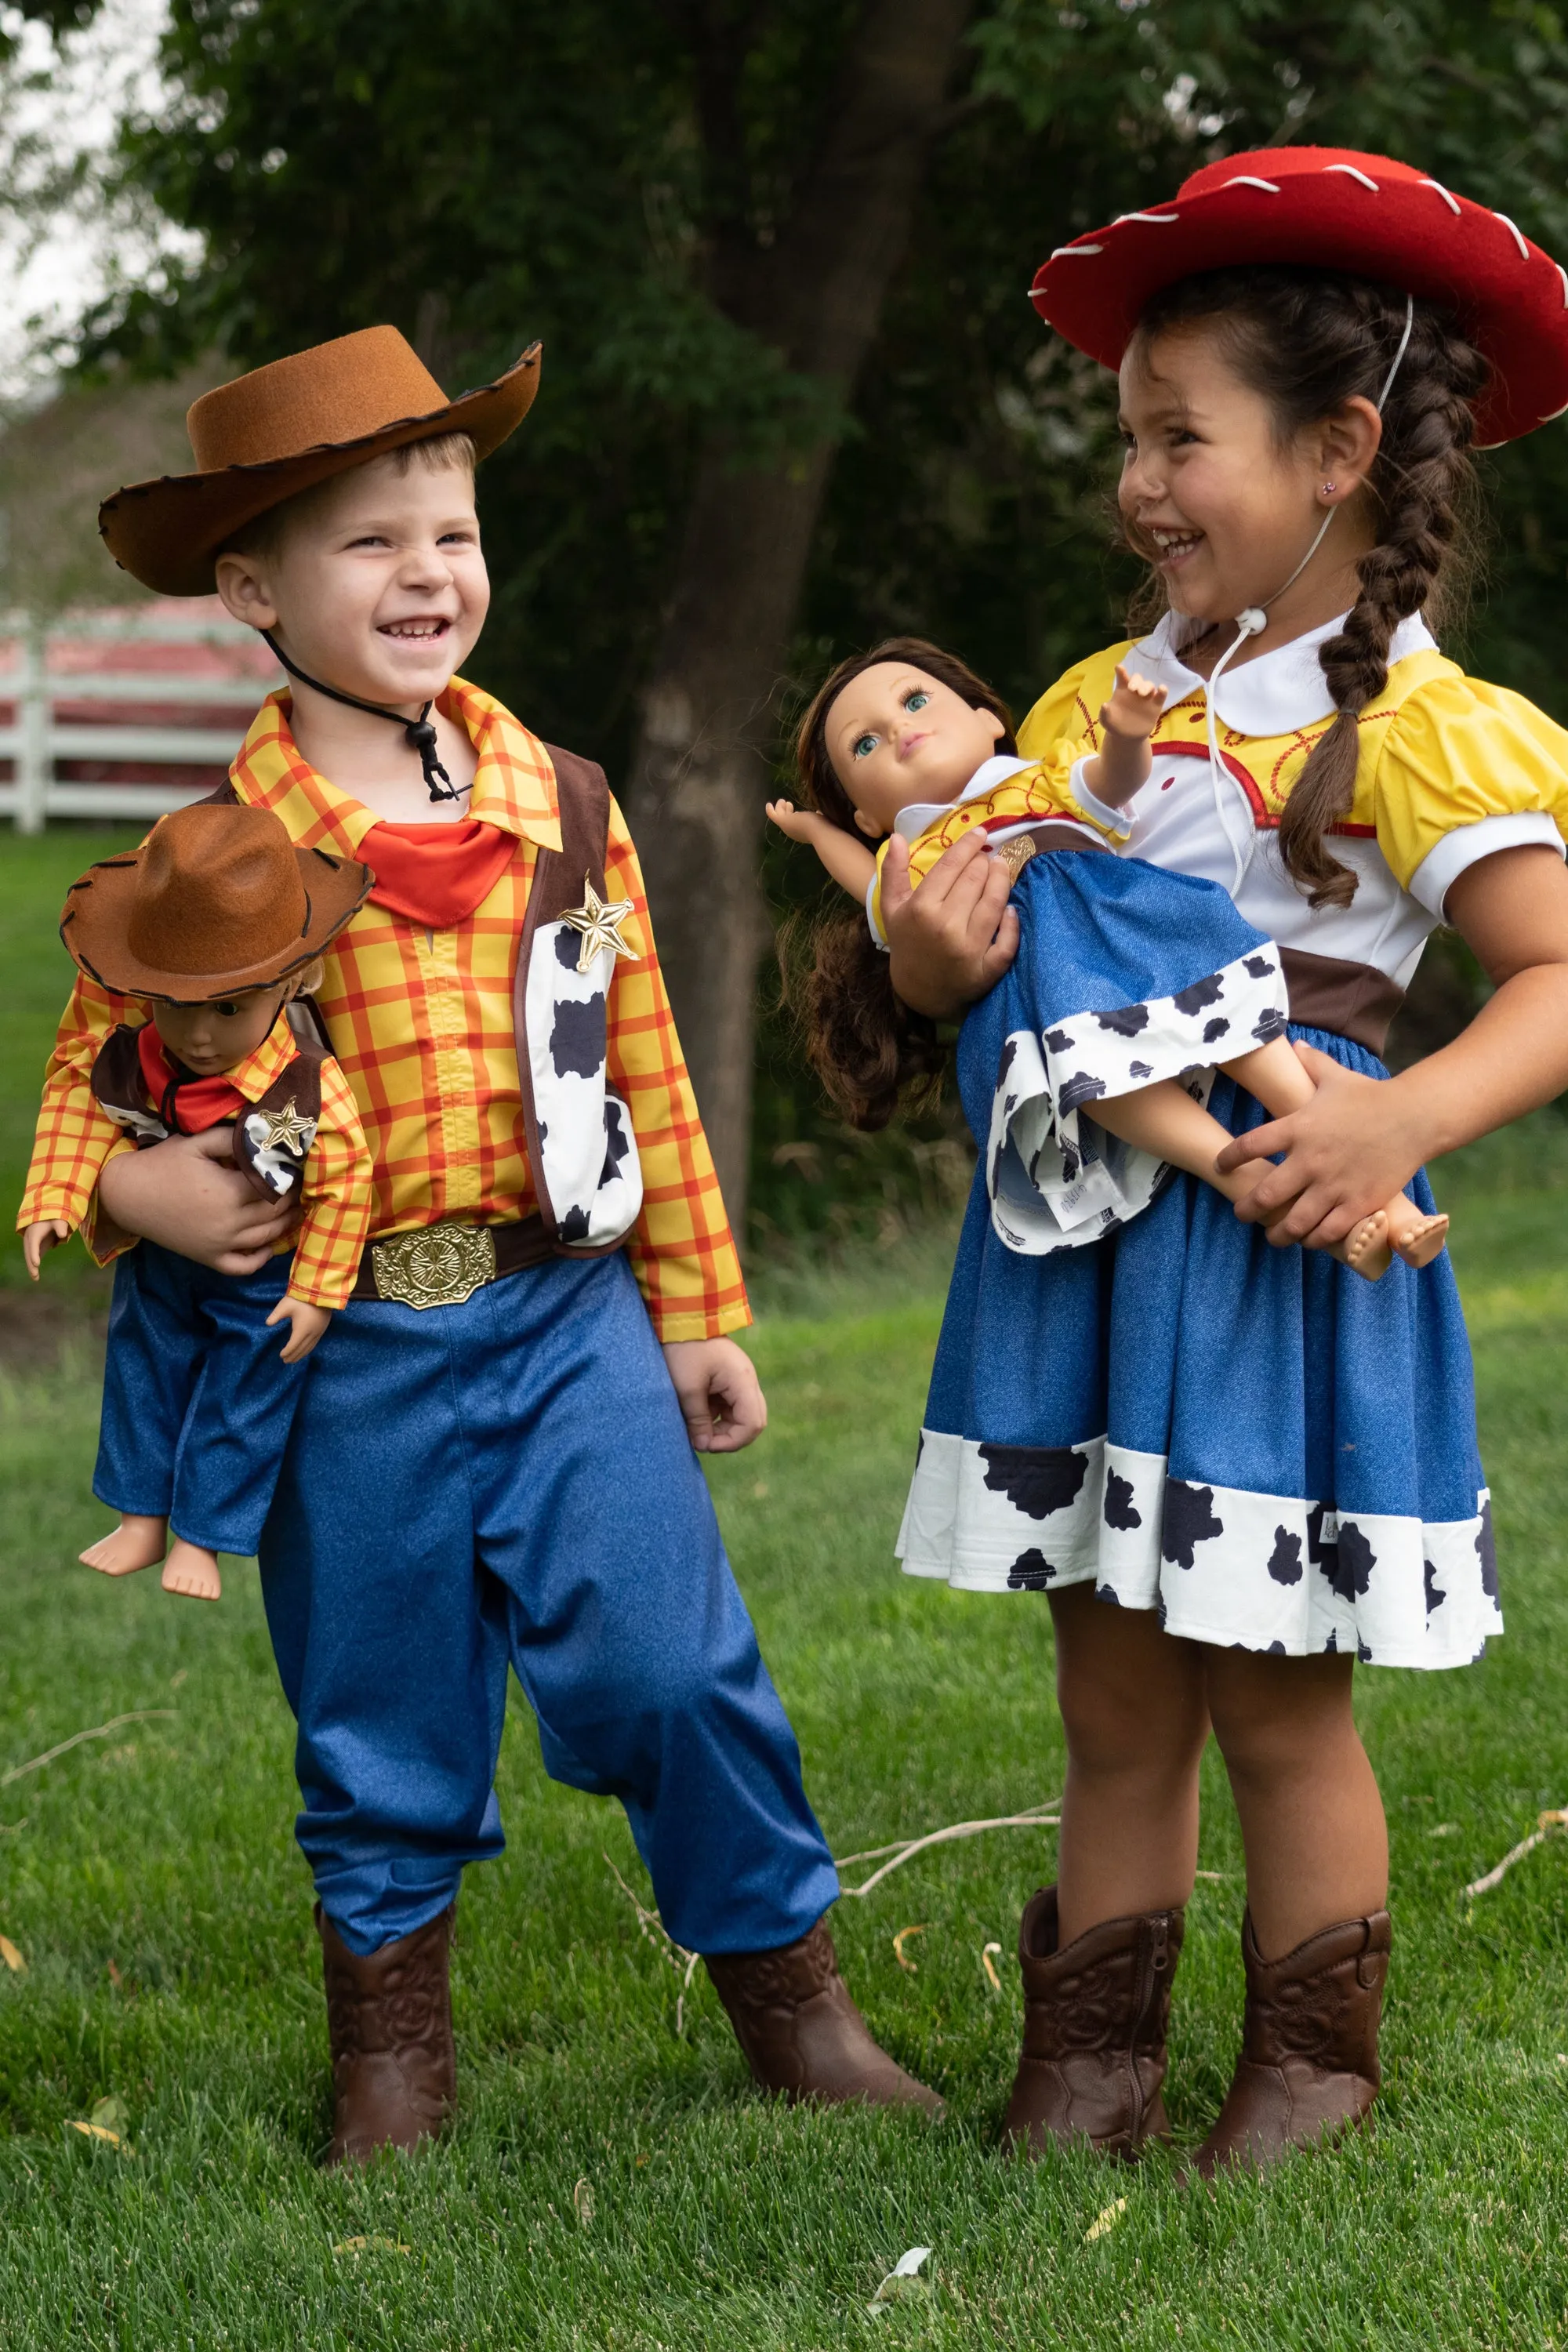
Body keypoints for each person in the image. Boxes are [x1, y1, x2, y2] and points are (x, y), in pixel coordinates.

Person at [20, 326, 938, 2162]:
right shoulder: (214, 854)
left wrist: (695, 1309)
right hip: (337, 1342)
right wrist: (139, 1193)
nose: (427, 572)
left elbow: (650, 1071)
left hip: (563, 1312)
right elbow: (94, 1082)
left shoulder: (567, 806)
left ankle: (796, 2004)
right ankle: (390, 2068)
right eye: (368, 543)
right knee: (375, 1703)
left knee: (672, 1667)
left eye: (450, 528)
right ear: (252, 586)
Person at [867, 147, 1568, 2174]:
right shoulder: (1096, 708)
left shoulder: (1426, 727)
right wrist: (929, 954)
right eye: (1131, 437)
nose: (1142, 483)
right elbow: (980, 955)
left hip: (1279, 1234)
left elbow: (1549, 978)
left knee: (1273, 1693)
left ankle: (1311, 2070)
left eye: (1185, 437)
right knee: (1115, 1693)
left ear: (1341, 448)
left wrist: (1399, 1117)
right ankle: (1089, 2062)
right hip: (1092, 1242)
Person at [769, 643, 1446, 1276]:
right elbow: (867, 886)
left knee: (1250, 1035)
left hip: (1140, 934)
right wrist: (814, 831)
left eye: (914, 701)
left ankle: (1389, 1204)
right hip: (1061, 991)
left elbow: (1114, 779)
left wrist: (1126, 730)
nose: (898, 730)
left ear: (985, 720)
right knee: (1103, 1084)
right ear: (867, 818)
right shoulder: (908, 860)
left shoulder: (1042, 780)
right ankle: (1250, 1182)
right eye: (864, 744)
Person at [22, 801, 373, 1601]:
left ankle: (204, 1535)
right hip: (161, 1258)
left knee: (243, 1393)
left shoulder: (306, 1088)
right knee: (140, 1369)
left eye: (229, 1009)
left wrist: (317, 1291)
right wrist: (58, 1196)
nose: (203, 1036)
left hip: (263, 1278)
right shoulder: (135, 1056)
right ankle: (140, 1513)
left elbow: (348, 1181)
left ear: (293, 984)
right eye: (180, 1006)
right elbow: (79, 1102)